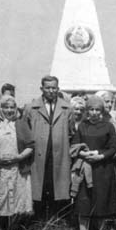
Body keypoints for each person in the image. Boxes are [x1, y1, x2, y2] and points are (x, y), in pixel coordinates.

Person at [71, 96, 116, 230]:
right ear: (87, 111)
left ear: (101, 111)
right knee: (84, 201)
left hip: (103, 169)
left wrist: (100, 156)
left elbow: (113, 148)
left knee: (102, 200)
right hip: (85, 169)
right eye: (91, 109)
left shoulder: (108, 126)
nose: (94, 112)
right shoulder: (82, 126)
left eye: (97, 109)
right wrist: (83, 154)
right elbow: (74, 145)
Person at [23, 75, 72, 220]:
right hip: (38, 153)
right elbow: (25, 130)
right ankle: (38, 218)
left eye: (54, 88)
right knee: (40, 184)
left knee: (57, 183)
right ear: (41, 89)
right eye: (47, 88)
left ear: (58, 89)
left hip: (59, 153)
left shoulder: (67, 108)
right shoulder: (31, 108)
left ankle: (57, 218)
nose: (51, 91)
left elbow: (71, 131)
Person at [0, 95, 34, 230]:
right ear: (1, 108)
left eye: (12, 107)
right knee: (0, 197)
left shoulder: (21, 124)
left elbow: (31, 146)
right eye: (6, 107)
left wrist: (19, 157)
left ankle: (15, 228)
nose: (9, 110)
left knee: (17, 197)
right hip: (0, 168)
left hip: (18, 167)